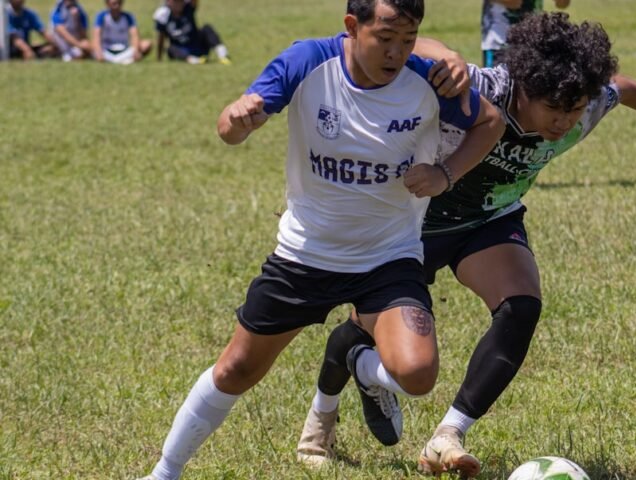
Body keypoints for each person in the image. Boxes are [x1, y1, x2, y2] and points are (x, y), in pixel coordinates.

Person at [300, 11, 636, 478]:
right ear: (525, 87)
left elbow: (626, 88)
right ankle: (321, 416)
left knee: (521, 306)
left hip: (489, 221)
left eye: (575, 110)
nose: (565, 122)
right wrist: (447, 54)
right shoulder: (486, 87)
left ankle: (447, 435)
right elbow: (416, 49)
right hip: (413, 224)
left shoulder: (584, 104)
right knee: (363, 331)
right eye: (554, 108)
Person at [137, 0, 504, 478]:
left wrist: (445, 174)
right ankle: (163, 472)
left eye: (408, 40)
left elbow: (489, 121)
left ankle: (355, 357)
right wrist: (237, 118)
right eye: (385, 39)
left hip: (387, 259)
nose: (396, 52)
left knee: (417, 375)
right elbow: (229, 129)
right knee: (236, 371)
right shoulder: (307, 62)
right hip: (305, 255)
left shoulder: (429, 82)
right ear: (352, 26)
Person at [482, 0, 570, 67]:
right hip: (500, 44)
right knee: (495, 89)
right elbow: (515, 2)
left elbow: (562, 3)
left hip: (533, 42)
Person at [153, 0, 230, 65]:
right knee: (170, 49)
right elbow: (161, 38)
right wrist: (159, 59)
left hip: (198, 46)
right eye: (175, 2)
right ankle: (194, 61)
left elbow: (195, 2)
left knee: (207, 28)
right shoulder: (163, 16)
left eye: (180, 1)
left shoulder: (188, 8)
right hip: (181, 49)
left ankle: (223, 54)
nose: (178, 4)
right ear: (168, 2)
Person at [92, 0, 151, 64]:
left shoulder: (128, 17)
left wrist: (135, 51)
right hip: (106, 50)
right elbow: (96, 35)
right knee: (89, 46)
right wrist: (99, 52)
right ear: (107, 4)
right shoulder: (101, 16)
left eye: (119, 3)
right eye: (114, 4)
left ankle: (127, 59)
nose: (117, 6)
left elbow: (135, 35)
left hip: (124, 49)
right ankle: (124, 60)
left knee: (146, 44)